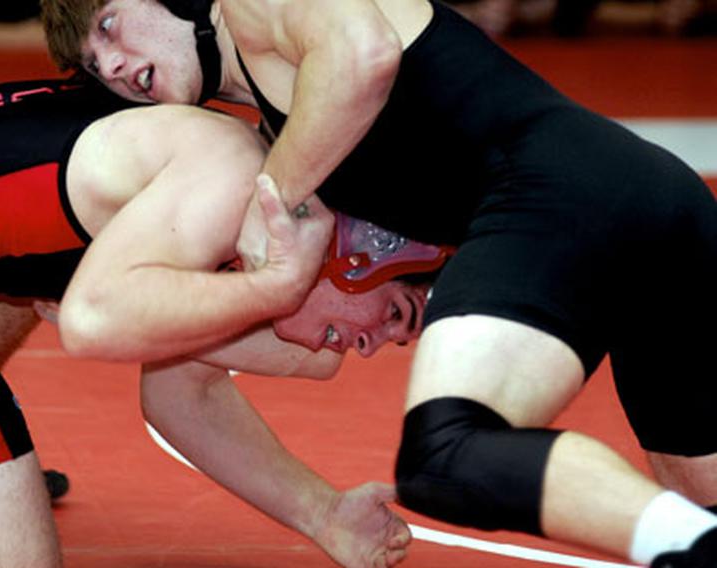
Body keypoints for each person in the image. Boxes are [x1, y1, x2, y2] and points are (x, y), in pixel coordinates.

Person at [40, 0, 717, 565]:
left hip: (563, 196)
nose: (118, 66)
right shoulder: (274, 121)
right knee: (699, 498)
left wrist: (270, 201)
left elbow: (364, 54)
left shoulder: (250, 9)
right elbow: (187, 384)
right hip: (646, 200)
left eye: (109, 25)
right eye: (97, 66)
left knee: (449, 452)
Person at [0, 76, 424, 568]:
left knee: (32, 266)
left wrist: (324, 514)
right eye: (396, 314)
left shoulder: (253, 185)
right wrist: (277, 290)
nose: (372, 346)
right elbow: (93, 320)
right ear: (362, 245)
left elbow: (182, 390)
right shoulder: (225, 200)